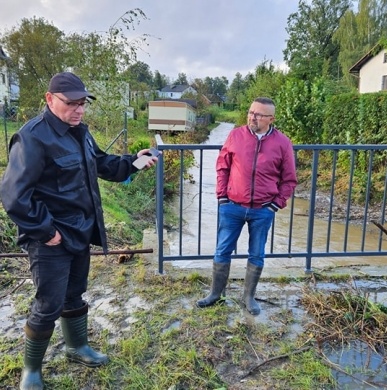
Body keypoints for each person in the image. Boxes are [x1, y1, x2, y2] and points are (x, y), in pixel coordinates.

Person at [0, 72, 159, 390]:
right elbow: (14, 196)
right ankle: (31, 371)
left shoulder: (80, 133)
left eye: (82, 103)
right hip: (50, 239)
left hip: (81, 232)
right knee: (48, 303)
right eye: (71, 103)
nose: (79, 110)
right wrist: (46, 232)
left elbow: (102, 164)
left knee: (74, 294)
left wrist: (134, 162)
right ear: (49, 99)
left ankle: (77, 348)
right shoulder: (32, 137)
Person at [197, 97, 297, 315]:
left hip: (263, 210)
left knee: (257, 254)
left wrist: (275, 205)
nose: (253, 117)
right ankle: (216, 294)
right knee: (222, 249)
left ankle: (248, 297)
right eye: (251, 112)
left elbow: (289, 180)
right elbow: (222, 166)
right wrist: (222, 197)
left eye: (259, 114)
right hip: (231, 206)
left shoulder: (282, 143)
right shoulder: (236, 135)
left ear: (271, 118)